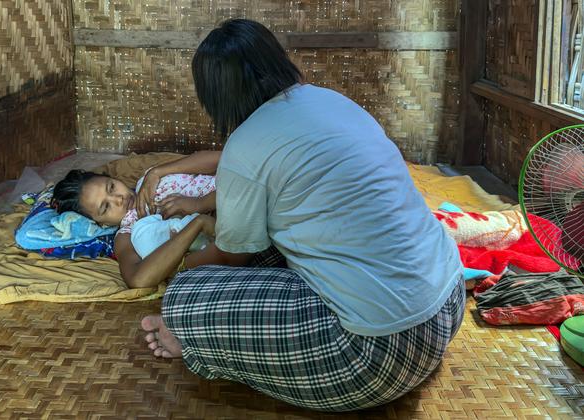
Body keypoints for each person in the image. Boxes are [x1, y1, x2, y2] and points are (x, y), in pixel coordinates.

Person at [138, 18, 465, 412]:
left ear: (216, 96)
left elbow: (231, 257)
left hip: (377, 353)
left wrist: (180, 264)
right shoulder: (331, 100)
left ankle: (193, 339)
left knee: (183, 298)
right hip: (447, 303)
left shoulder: (246, 144)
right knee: (270, 246)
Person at [50, 167, 219, 288]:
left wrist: (157, 172)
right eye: (106, 207)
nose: (118, 199)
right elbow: (138, 279)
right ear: (102, 224)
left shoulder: (152, 181)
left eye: (112, 187)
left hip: (234, 197)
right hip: (224, 241)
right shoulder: (127, 234)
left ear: (112, 177)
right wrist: (197, 224)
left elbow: (221, 158)